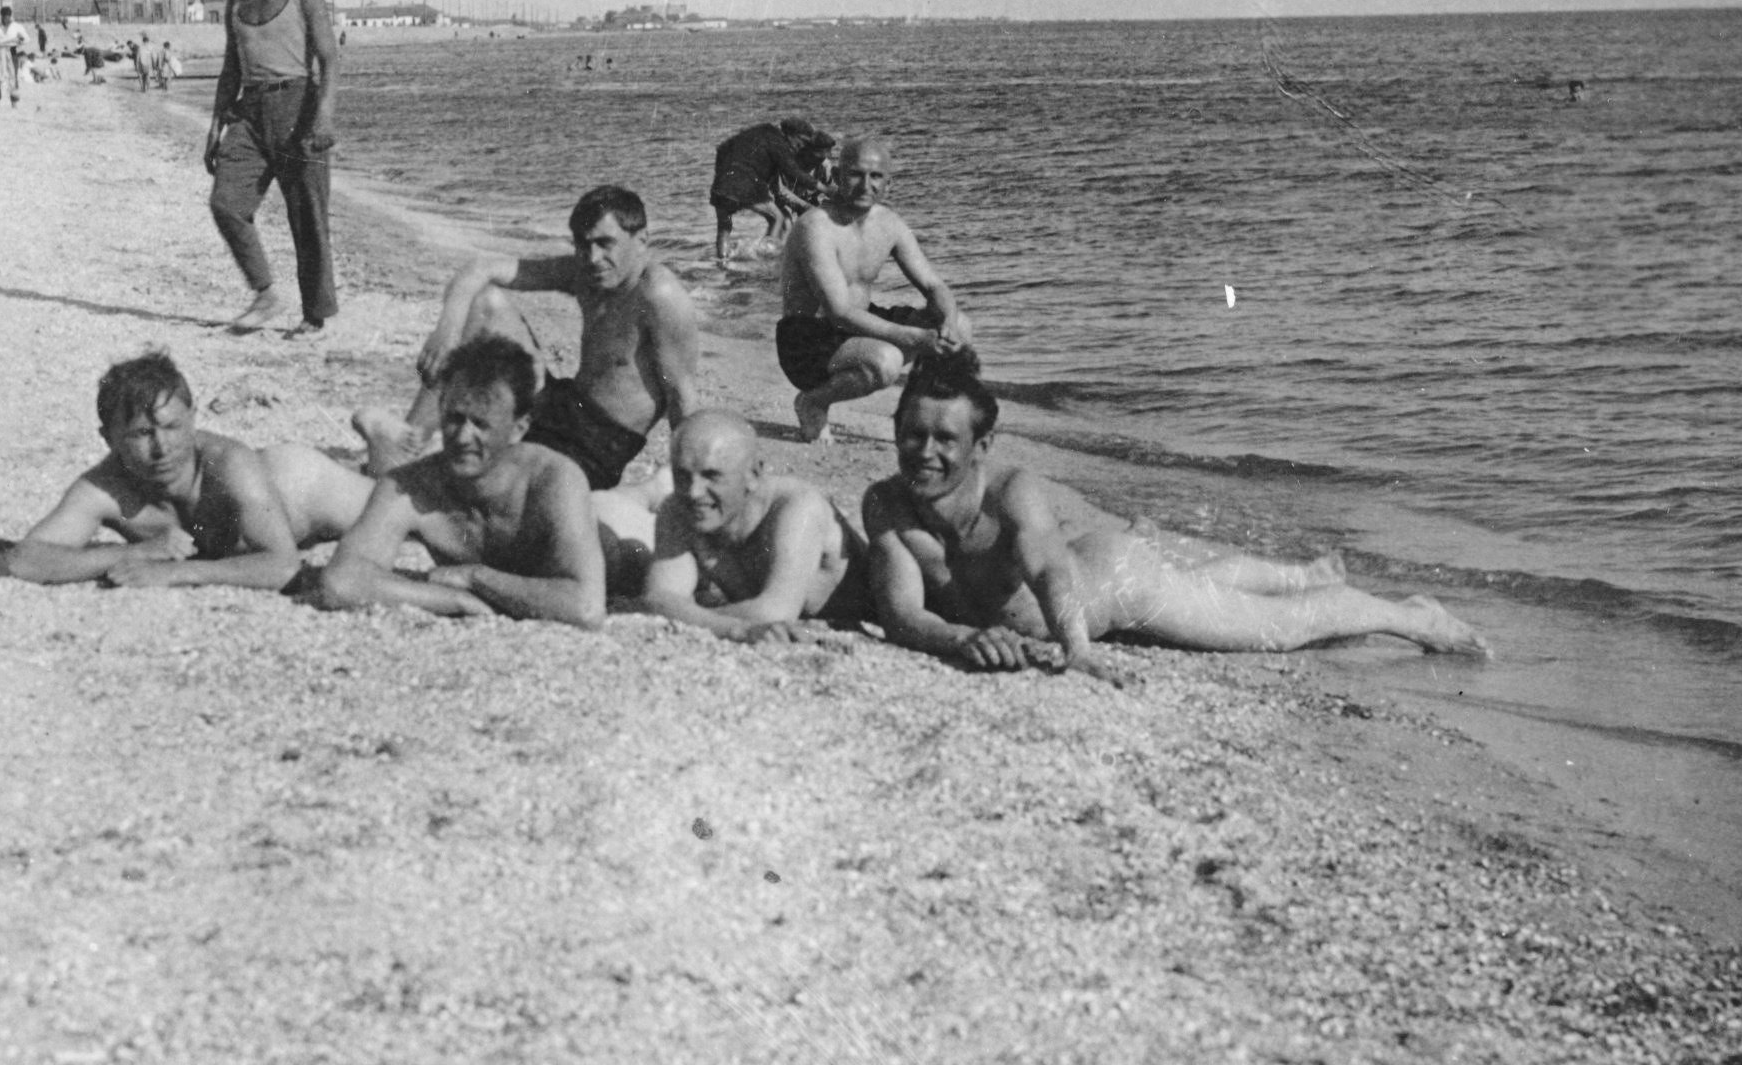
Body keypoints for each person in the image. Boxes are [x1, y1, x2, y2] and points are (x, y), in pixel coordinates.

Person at [863, 351, 1487, 673]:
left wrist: (1076, 649)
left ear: (981, 446)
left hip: (1119, 585)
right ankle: (1303, 574)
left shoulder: (1010, 493)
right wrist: (963, 638)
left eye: (945, 439)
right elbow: (902, 614)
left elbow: (1048, 570)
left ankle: (1413, 616)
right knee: (1204, 587)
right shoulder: (886, 506)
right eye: (913, 435)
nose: (925, 453)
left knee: (1276, 631)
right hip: (1098, 562)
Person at [368, 184, 698, 493]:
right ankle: (408, 443)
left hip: (594, 448)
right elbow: (480, 269)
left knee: (485, 488)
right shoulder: (587, 273)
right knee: (485, 303)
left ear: (641, 240)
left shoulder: (658, 295)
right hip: (561, 407)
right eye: (583, 244)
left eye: (605, 243)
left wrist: (687, 482)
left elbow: (682, 397)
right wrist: (448, 330)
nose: (593, 257)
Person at [6, 351, 380, 590]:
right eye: (141, 434)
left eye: (172, 427)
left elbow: (283, 565)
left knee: (400, 505)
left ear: (193, 417)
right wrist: (135, 553)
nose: (162, 447)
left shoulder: (227, 464)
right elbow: (26, 559)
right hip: (273, 495)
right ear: (109, 438)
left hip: (298, 484)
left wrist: (177, 572)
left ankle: (383, 446)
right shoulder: (106, 487)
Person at [313, 336, 604, 627]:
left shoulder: (553, 480)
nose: (463, 437)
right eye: (454, 418)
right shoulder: (412, 485)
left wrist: (474, 577)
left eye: (481, 424)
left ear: (518, 428)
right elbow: (341, 583)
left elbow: (586, 609)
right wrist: (455, 600)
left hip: (613, 528)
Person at [775, 136, 973, 442]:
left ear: (888, 184)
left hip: (858, 325)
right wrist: (916, 338)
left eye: (876, 176)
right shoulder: (815, 227)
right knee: (885, 361)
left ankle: (918, 414)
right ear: (837, 176)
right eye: (856, 174)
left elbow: (933, 285)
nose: (866, 185)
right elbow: (839, 312)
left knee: (960, 325)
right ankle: (813, 401)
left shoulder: (889, 223)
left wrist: (946, 323)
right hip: (808, 340)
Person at [617, 410, 868, 641]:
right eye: (682, 476)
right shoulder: (678, 508)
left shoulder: (797, 507)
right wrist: (733, 628)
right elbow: (659, 599)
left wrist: (690, 615)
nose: (694, 492)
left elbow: (775, 612)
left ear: (753, 475)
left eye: (712, 476)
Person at [206, 0, 341, 334]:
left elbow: (329, 59)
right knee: (226, 203)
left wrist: (324, 116)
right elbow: (231, 69)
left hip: (298, 107)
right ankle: (265, 294)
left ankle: (314, 315)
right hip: (249, 112)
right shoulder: (236, 5)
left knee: (307, 216)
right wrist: (215, 127)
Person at [709, 116, 835, 262]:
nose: (801, 146)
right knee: (777, 218)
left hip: (721, 185)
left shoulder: (762, 132)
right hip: (745, 185)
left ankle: (722, 262)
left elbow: (721, 149)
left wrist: (722, 175)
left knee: (724, 227)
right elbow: (793, 172)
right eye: (802, 141)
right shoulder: (779, 143)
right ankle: (766, 257)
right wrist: (824, 189)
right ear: (791, 135)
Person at [0, 5, 29, 107]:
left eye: (7, 16)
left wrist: (20, 40)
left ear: (10, 16)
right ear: (1, 16)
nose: (5, 19)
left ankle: (14, 100)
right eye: (3, 16)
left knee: (13, 77)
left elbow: (26, 39)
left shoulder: (16, 27)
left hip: (11, 52)